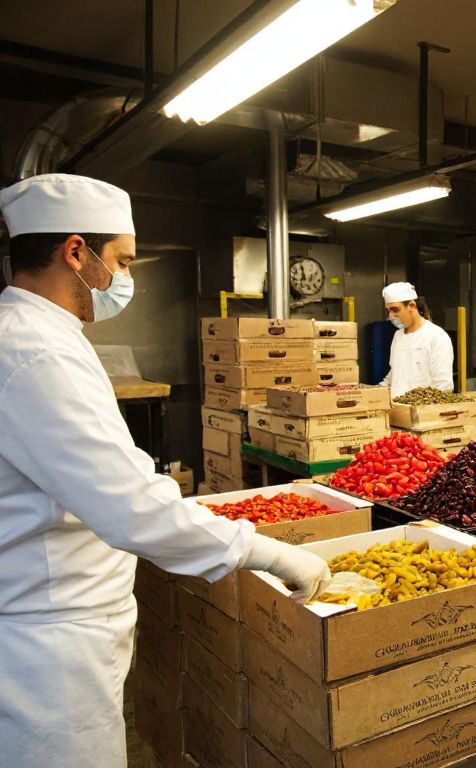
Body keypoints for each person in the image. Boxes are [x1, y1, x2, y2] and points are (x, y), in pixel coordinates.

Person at [0, 173, 331, 765]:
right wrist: (271, 552)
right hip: (48, 641)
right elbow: (127, 504)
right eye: (121, 262)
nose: (125, 280)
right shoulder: (34, 350)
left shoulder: (43, 335)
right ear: (74, 252)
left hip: (63, 617)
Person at [380, 281, 453, 398]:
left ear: (412, 306)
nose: (391, 316)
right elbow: (395, 373)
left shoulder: (436, 336)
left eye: (395, 310)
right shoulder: (398, 336)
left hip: (423, 413)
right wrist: (372, 393)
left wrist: (420, 407)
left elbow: (444, 386)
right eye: (388, 311)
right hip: (397, 411)